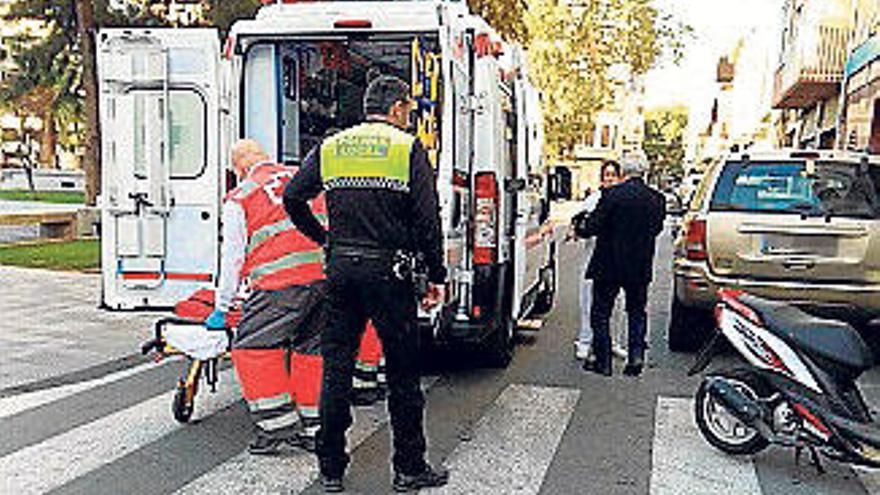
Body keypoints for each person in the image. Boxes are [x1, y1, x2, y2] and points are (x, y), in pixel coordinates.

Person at [283, 75, 449, 493]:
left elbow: (292, 197)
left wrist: (323, 238)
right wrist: (437, 274)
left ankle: (331, 469)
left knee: (335, 368)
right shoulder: (407, 149)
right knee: (402, 373)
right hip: (389, 274)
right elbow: (428, 221)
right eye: (408, 112)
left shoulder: (333, 146)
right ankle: (409, 468)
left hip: (341, 269)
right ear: (396, 109)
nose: (409, 120)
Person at [205, 139, 329, 454]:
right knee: (310, 352)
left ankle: (277, 426)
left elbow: (232, 257)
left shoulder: (242, 196)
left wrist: (223, 305)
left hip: (280, 286)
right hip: (324, 280)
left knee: (252, 348)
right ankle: (316, 428)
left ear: (239, 169)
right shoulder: (304, 178)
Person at [577, 154, 666, 377]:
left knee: (600, 313)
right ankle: (635, 357)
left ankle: (603, 361)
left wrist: (580, 225)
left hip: (608, 264)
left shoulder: (611, 195)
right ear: (644, 171)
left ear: (624, 172)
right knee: (636, 311)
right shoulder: (656, 199)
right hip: (639, 265)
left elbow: (593, 226)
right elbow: (656, 229)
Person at [571, 160, 621, 361]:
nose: (609, 178)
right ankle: (584, 340)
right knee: (587, 300)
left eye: (613, 175)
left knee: (616, 303)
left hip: (616, 258)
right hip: (593, 256)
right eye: (606, 175)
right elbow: (578, 222)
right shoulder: (593, 199)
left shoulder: (622, 199)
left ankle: (613, 341)